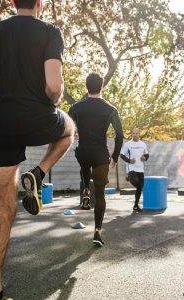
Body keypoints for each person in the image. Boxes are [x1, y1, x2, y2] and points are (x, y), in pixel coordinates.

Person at [0, 1, 74, 299]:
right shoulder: (49, 31)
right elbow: (54, 87)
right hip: (37, 118)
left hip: (0, 126)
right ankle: (39, 172)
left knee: (3, 213)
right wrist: (50, 100)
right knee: (69, 129)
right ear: (40, 3)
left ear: (11, 2)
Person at [69, 73, 123, 246]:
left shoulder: (76, 107)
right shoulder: (111, 109)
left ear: (86, 87)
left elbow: (67, 128)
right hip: (101, 155)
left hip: (83, 151)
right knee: (100, 194)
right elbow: (120, 135)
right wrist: (115, 156)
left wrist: (75, 133)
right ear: (102, 87)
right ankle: (97, 232)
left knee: (84, 162)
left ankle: (85, 189)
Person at [120, 128, 149, 212]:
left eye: (137, 133)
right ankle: (129, 176)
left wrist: (145, 158)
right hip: (131, 168)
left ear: (139, 134)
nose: (135, 135)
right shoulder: (127, 144)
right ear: (131, 134)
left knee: (140, 187)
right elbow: (121, 155)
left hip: (140, 169)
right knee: (136, 182)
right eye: (134, 133)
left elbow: (147, 155)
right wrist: (129, 161)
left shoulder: (143, 144)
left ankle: (136, 205)